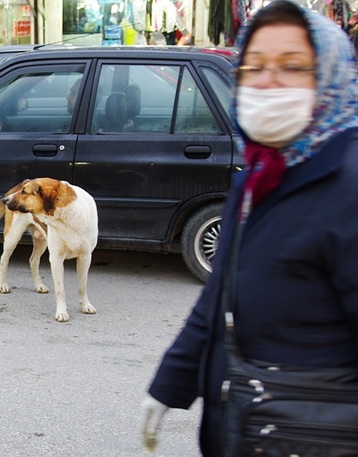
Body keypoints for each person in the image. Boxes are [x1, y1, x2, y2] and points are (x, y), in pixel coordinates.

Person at [141, 2, 358, 456]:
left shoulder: (348, 185)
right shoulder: (261, 174)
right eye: (254, 66)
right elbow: (220, 297)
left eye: (292, 66)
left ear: (330, 78)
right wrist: (169, 385)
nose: (267, 80)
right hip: (245, 426)